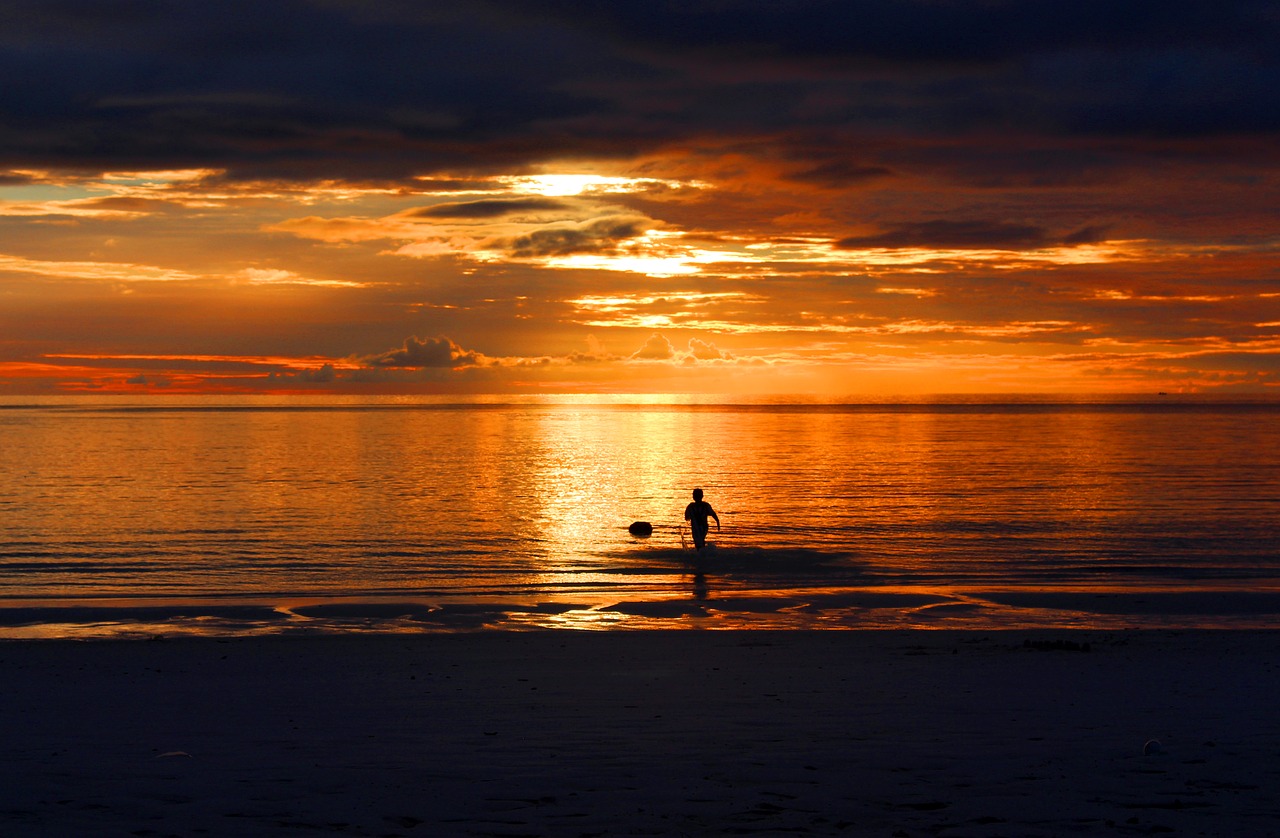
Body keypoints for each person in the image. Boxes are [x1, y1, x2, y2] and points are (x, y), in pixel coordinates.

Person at [684, 488, 720, 552]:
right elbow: (687, 517)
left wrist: (717, 521)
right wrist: (717, 522)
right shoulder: (691, 506)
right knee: (698, 540)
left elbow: (713, 514)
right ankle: (701, 552)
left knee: (700, 540)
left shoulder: (704, 506)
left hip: (702, 527)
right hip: (696, 527)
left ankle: (702, 553)